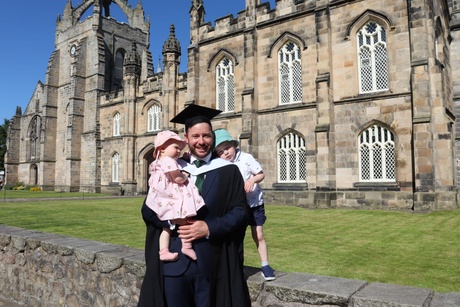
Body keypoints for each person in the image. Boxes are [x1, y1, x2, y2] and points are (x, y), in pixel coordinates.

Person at [138, 104, 251, 307]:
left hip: (212, 263)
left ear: (213, 137)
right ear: (186, 138)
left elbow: (241, 212)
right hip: (174, 264)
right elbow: (148, 209)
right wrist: (173, 221)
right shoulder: (169, 168)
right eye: (195, 136)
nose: (201, 142)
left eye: (206, 136)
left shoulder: (228, 171)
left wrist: (209, 227)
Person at [214, 128, 276, 281]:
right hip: (237, 206)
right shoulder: (221, 164)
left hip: (255, 204)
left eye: (227, 148)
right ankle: (235, 267)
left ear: (234, 145)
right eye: (221, 151)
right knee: (236, 237)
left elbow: (260, 174)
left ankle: (266, 266)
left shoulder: (246, 158)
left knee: (258, 235)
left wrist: (251, 180)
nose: (226, 153)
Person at [145, 130, 205, 261]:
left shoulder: (156, 162)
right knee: (185, 219)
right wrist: (185, 176)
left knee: (167, 227)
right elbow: (177, 178)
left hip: (159, 198)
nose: (179, 151)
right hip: (171, 197)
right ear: (161, 148)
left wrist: (184, 159)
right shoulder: (169, 161)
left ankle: (164, 251)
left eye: (180, 148)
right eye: (176, 147)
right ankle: (187, 246)